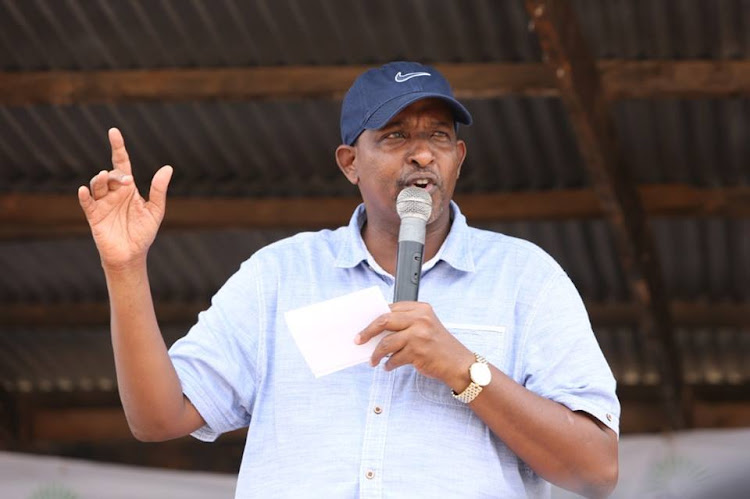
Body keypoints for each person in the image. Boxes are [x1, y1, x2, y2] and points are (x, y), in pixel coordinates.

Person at [78, 61, 620, 498]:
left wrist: (465, 369)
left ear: (458, 157)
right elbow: (157, 417)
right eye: (394, 135)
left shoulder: (526, 278)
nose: (422, 152)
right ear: (349, 163)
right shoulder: (280, 276)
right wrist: (124, 269)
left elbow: (596, 471)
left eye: (438, 135)